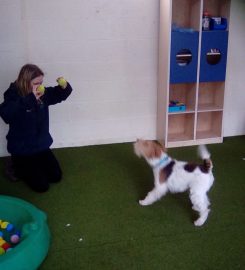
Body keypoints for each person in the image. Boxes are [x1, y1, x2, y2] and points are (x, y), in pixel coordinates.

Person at [0, 64, 73, 192]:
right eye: (36, 83)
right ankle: (14, 165)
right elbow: (6, 114)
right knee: (42, 187)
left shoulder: (41, 92)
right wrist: (30, 99)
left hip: (40, 146)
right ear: (25, 81)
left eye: (41, 82)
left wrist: (64, 87)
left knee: (56, 176)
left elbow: (58, 94)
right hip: (22, 149)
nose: (40, 86)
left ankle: (33, 166)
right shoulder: (12, 95)